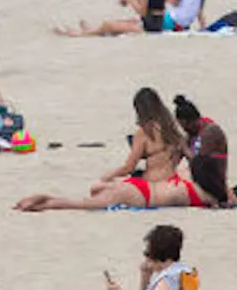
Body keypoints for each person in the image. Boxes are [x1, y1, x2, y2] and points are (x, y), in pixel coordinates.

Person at [15, 87, 202, 210]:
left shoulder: (144, 132)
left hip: (145, 188)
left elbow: (128, 168)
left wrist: (108, 175)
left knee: (87, 199)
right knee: (96, 192)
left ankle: (47, 200)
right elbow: (192, 158)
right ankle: (45, 201)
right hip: (168, 184)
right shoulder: (175, 132)